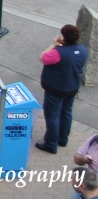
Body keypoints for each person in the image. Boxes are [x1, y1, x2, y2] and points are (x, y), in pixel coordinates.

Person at [37, 24, 89, 153]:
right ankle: (62, 139)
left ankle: (50, 144)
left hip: (55, 89)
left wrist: (54, 44)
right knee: (66, 112)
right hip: (72, 88)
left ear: (64, 36)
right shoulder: (82, 50)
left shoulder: (57, 53)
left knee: (52, 116)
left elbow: (43, 57)